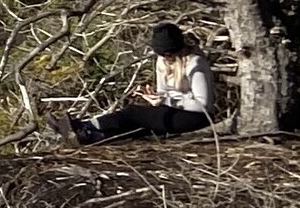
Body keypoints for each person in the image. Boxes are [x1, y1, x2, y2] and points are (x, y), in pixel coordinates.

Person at [72, 23, 215, 143]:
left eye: (170, 53)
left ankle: (85, 125)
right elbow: (163, 94)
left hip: (196, 117)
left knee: (133, 113)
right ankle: (92, 137)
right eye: (163, 54)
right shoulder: (162, 62)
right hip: (171, 111)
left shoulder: (195, 63)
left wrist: (167, 100)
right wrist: (154, 98)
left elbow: (203, 105)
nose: (167, 57)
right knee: (140, 126)